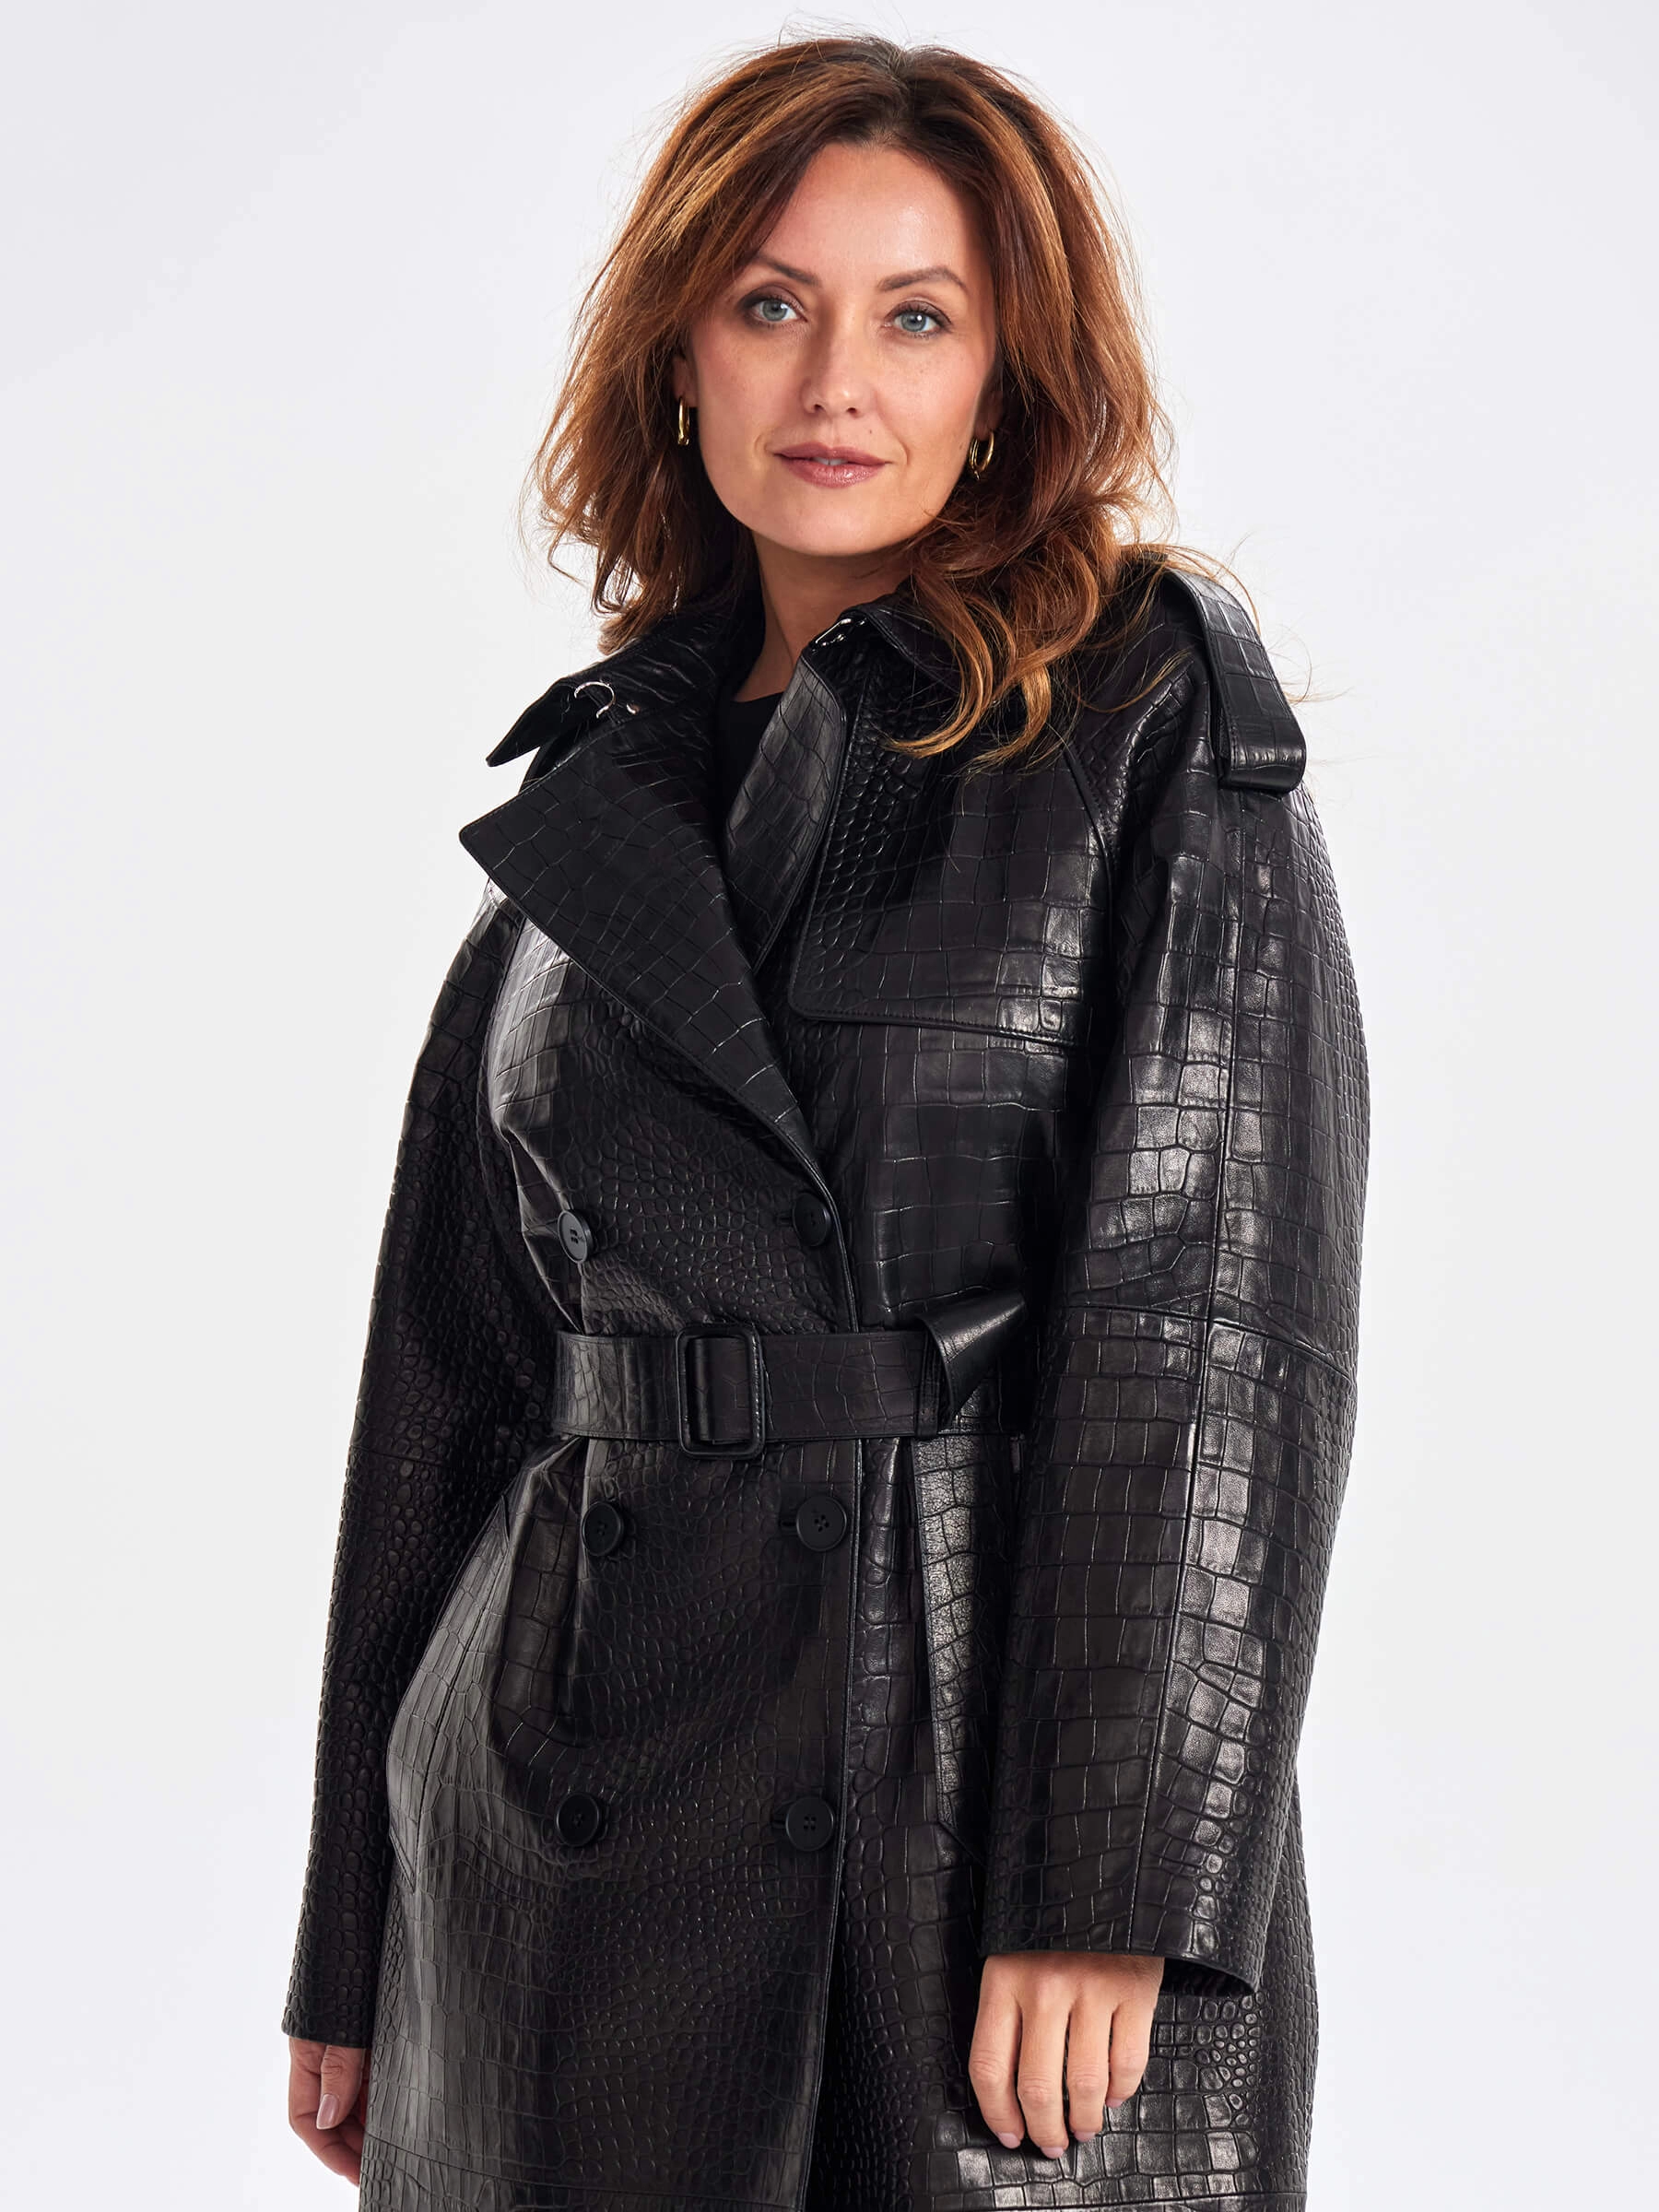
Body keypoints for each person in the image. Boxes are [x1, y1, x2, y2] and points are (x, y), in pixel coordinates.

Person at [282, 34, 1368, 2212]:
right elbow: (449, 1389)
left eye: (919, 315)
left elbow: (1211, 1317)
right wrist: (355, 1928)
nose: (835, 382)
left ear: (1010, 377)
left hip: (967, 1812)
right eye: (771, 303)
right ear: (677, 353)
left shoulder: (1140, 714)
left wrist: (1116, 1878)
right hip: (553, 1844)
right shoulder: (592, 792)